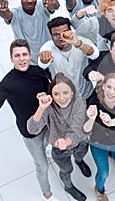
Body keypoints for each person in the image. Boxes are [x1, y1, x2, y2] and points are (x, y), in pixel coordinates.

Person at [0, 39, 57, 201]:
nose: (22, 58)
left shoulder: (39, 71)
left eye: (24, 54)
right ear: (11, 58)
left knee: (48, 143)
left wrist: (47, 96)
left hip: (47, 122)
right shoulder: (7, 83)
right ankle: (47, 194)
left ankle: (47, 148)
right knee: (42, 166)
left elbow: (50, 89)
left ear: (30, 55)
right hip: (30, 131)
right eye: (17, 56)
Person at [27, 73, 90, 201]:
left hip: (80, 142)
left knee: (80, 156)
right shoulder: (49, 108)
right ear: (51, 95)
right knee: (66, 170)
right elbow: (32, 129)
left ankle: (79, 161)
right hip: (60, 150)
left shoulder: (79, 102)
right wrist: (41, 107)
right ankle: (68, 187)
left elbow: (76, 129)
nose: (61, 98)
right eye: (56, 94)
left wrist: (66, 141)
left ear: (72, 93)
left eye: (65, 93)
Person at [83, 73, 115, 201]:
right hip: (97, 142)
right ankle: (99, 190)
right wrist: (90, 118)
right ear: (103, 87)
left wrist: (111, 122)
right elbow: (86, 130)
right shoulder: (94, 100)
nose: (111, 92)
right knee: (104, 172)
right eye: (109, 87)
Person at [0, 0, 60, 65]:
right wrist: (1, 9)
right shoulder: (16, 13)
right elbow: (7, 15)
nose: (29, 1)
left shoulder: (42, 6)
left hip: (49, 55)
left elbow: (55, 6)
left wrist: (53, 2)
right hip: (28, 62)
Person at [38, 16, 99, 99]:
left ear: (71, 31)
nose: (61, 38)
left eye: (65, 33)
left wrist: (78, 44)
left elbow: (95, 54)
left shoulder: (81, 41)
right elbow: (42, 64)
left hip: (87, 94)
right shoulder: (48, 46)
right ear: (51, 36)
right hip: (64, 98)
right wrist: (44, 60)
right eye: (56, 35)